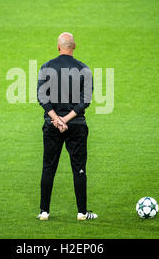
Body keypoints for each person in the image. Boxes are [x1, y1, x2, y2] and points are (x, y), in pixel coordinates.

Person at [36, 32, 98, 221]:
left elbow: (42, 97)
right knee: (79, 168)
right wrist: (67, 119)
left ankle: (44, 212)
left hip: (52, 125)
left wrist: (56, 119)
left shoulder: (46, 67)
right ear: (74, 46)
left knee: (48, 168)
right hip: (77, 126)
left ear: (58, 47)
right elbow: (84, 101)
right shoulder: (84, 70)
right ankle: (81, 213)